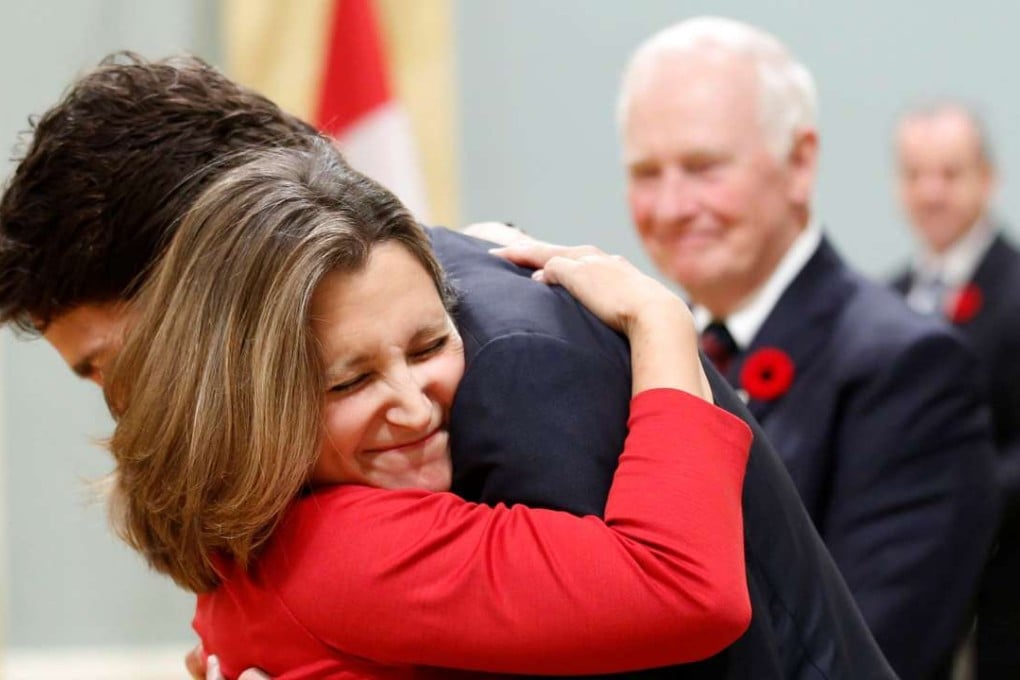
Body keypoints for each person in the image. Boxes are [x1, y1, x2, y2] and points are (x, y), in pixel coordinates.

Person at [0, 52, 895, 679]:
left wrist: (661, 316)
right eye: (349, 380)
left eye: (119, 362)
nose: (125, 409)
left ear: (212, 293)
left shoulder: (505, 366)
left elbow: (673, 599)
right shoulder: (308, 489)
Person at [100, 138, 751, 677]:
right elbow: (684, 587)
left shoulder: (255, 542)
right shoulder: (347, 549)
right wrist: (659, 318)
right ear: (248, 404)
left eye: (428, 346)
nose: (414, 410)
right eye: (350, 383)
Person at [617, 16, 999, 680]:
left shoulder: (908, 370)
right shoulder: (635, 356)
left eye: (704, 167)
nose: (672, 205)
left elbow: (861, 656)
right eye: (647, 172)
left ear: (799, 163)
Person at [891, 102, 1020, 677]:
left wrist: (962, 497)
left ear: (986, 179)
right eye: (916, 175)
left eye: (949, 173)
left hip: (1005, 575)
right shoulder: (886, 298)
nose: (931, 193)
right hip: (907, 578)